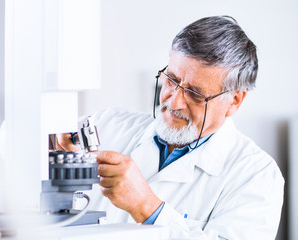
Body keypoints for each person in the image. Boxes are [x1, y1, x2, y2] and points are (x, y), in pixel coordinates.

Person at [58, 15, 284, 240]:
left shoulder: (256, 176)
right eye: (171, 80)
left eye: (195, 93)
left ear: (234, 101)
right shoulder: (107, 124)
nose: (173, 102)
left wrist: (147, 206)